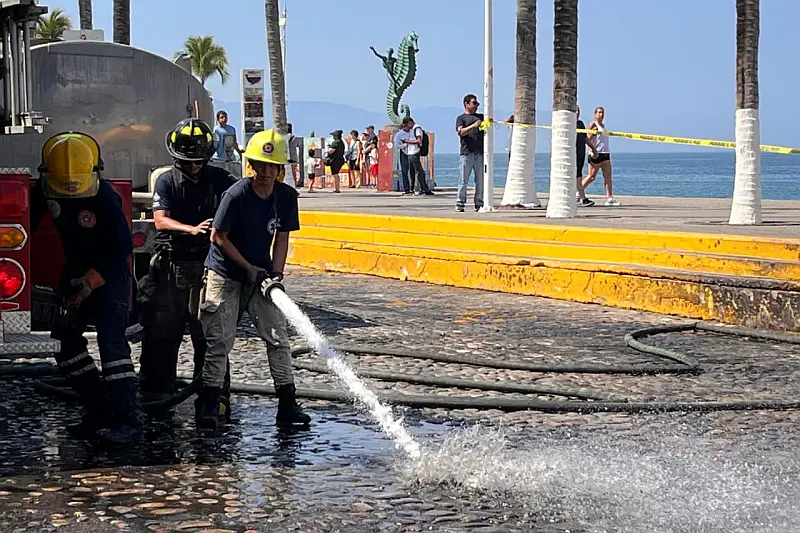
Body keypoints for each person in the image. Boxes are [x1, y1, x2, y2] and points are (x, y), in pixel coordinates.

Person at [30, 132, 142, 444]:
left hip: (109, 274)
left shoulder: (103, 196)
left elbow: (122, 245)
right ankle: (98, 407)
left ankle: (128, 419)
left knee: (112, 344)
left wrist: (92, 281)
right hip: (75, 270)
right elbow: (24, 225)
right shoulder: (44, 190)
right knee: (65, 345)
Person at [196, 129, 311, 430]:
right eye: (259, 165)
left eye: (271, 166)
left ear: (280, 170)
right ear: (251, 165)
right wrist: (246, 267)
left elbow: (281, 238)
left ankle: (287, 404)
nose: (264, 172)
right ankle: (209, 403)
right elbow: (217, 237)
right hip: (226, 271)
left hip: (261, 275)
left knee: (278, 338)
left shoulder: (286, 197)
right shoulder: (236, 195)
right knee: (220, 341)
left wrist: (277, 273)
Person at [137, 119, 238, 422]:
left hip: (209, 269)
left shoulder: (220, 179)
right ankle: (155, 395)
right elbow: (160, 220)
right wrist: (191, 229)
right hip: (171, 267)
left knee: (209, 335)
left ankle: (212, 396)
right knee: (161, 334)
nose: (193, 168)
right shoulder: (167, 181)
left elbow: (241, 197)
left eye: (198, 162)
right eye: (187, 162)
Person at [583, 106, 620, 207]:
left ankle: (610, 198)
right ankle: (578, 192)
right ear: (595, 114)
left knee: (608, 176)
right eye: (599, 113)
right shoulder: (593, 125)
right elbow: (587, 138)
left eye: (602, 113)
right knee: (591, 176)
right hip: (596, 154)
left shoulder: (603, 126)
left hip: (605, 154)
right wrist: (592, 151)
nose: (601, 115)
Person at [455, 94, 484, 212]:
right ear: (467, 104)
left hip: (479, 153)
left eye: (477, 103)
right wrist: (473, 126)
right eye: (474, 103)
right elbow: (461, 132)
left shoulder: (481, 116)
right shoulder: (461, 118)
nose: (476, 105)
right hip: (466, 154)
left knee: (480, 180)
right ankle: (460, 202)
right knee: (463, 180)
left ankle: (479, 202)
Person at [575, 106, 596, 207]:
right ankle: (582, 198)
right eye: (575, 111)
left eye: (578, 111)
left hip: (581, 154)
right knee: (577, 177)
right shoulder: (568, 124)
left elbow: (585, 139)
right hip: (572, 154)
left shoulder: (580, 124)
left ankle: (581, 197)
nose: (577, 113)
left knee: (578, 175)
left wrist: (593, 148)